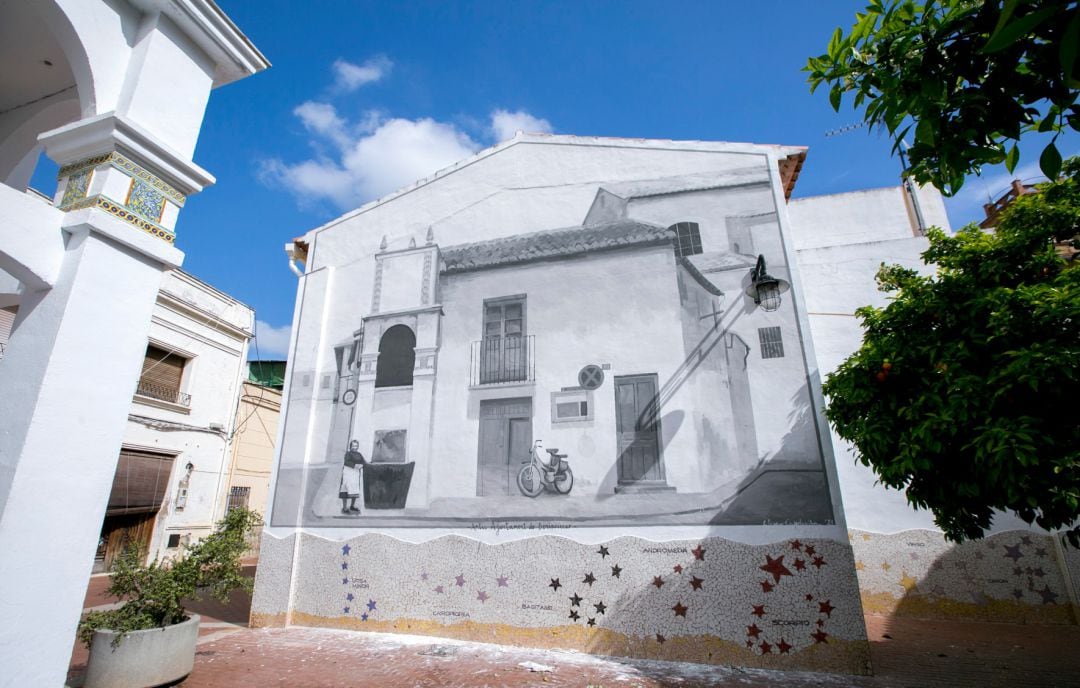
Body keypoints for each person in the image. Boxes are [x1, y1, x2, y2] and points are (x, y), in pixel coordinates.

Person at [339, 440, 367, 515]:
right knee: (345, 490)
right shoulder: (348, 454)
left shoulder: (359, 454)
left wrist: (364, 464)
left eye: (356, 446)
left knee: (354, 490)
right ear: (350, 446)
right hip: (348, 473)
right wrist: (355, 466)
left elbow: (363, 462)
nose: (355, 447)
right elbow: (346, 462)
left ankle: (352, 506)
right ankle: (344, 508)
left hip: (355, 474)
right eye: (353, 446)